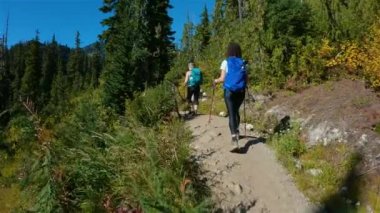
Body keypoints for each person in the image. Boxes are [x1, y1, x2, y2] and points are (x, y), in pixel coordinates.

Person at [214, 43, 248, 149]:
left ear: (229, 51)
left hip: (229, 92)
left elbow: (222, 78)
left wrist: (215, 81)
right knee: (236, 111)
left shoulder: (226, 62)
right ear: (239, 51)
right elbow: (246, 79)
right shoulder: (243, 62)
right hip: (241, 92)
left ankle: (234, 139)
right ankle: (237, 132)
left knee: (231, 113)